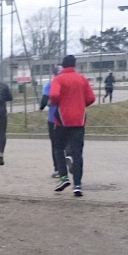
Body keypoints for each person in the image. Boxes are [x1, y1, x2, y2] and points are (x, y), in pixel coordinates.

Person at [49, 54, 95, 197]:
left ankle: (63, 177)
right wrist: (80, 104)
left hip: (62, 120)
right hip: (79, 120)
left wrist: (55, 103)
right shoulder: (82, 79)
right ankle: (78, 185)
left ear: (63, 65)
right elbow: (91, 98)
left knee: (58, 148)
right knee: (77, 153)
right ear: (74, 65)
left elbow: (54, 95)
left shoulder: (58, 79)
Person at [41, 68, 63, 178]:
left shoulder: (50, 85)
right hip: (68, 117)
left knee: (55, 145)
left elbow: (45, 100)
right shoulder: (69, 84)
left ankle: (58, 169)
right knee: (69, 142)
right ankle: (70, 158)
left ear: (53, 74)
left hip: (54, 118)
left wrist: (41, 107)